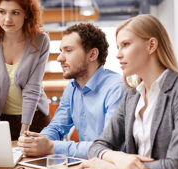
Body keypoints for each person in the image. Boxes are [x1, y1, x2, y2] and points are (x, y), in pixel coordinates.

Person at [77, 14, 178, 169]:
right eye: (118, 47)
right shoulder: (132, 95)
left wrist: (112, 167)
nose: (118, 54)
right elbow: (98, 145)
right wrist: (119, 159)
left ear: (151, 45)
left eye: (125, 45)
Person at [18, 23, 125, 158]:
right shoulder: (73, 87)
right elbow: (57, 126)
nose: (59, 58)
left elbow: (108, 147)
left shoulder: (116, 88)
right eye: (61, 51)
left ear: (92, 54)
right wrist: (36, 142)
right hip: (87, 164)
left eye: (68, 51)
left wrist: (51, 146)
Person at [0, 0, 50, 140]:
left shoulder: (40, 40)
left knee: (35, 162)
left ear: (27, 14)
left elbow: (33, 87)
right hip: (1, 121)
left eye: (15, 12)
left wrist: (25, 129)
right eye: (2, 12)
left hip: (35, 118)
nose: (7, 19)